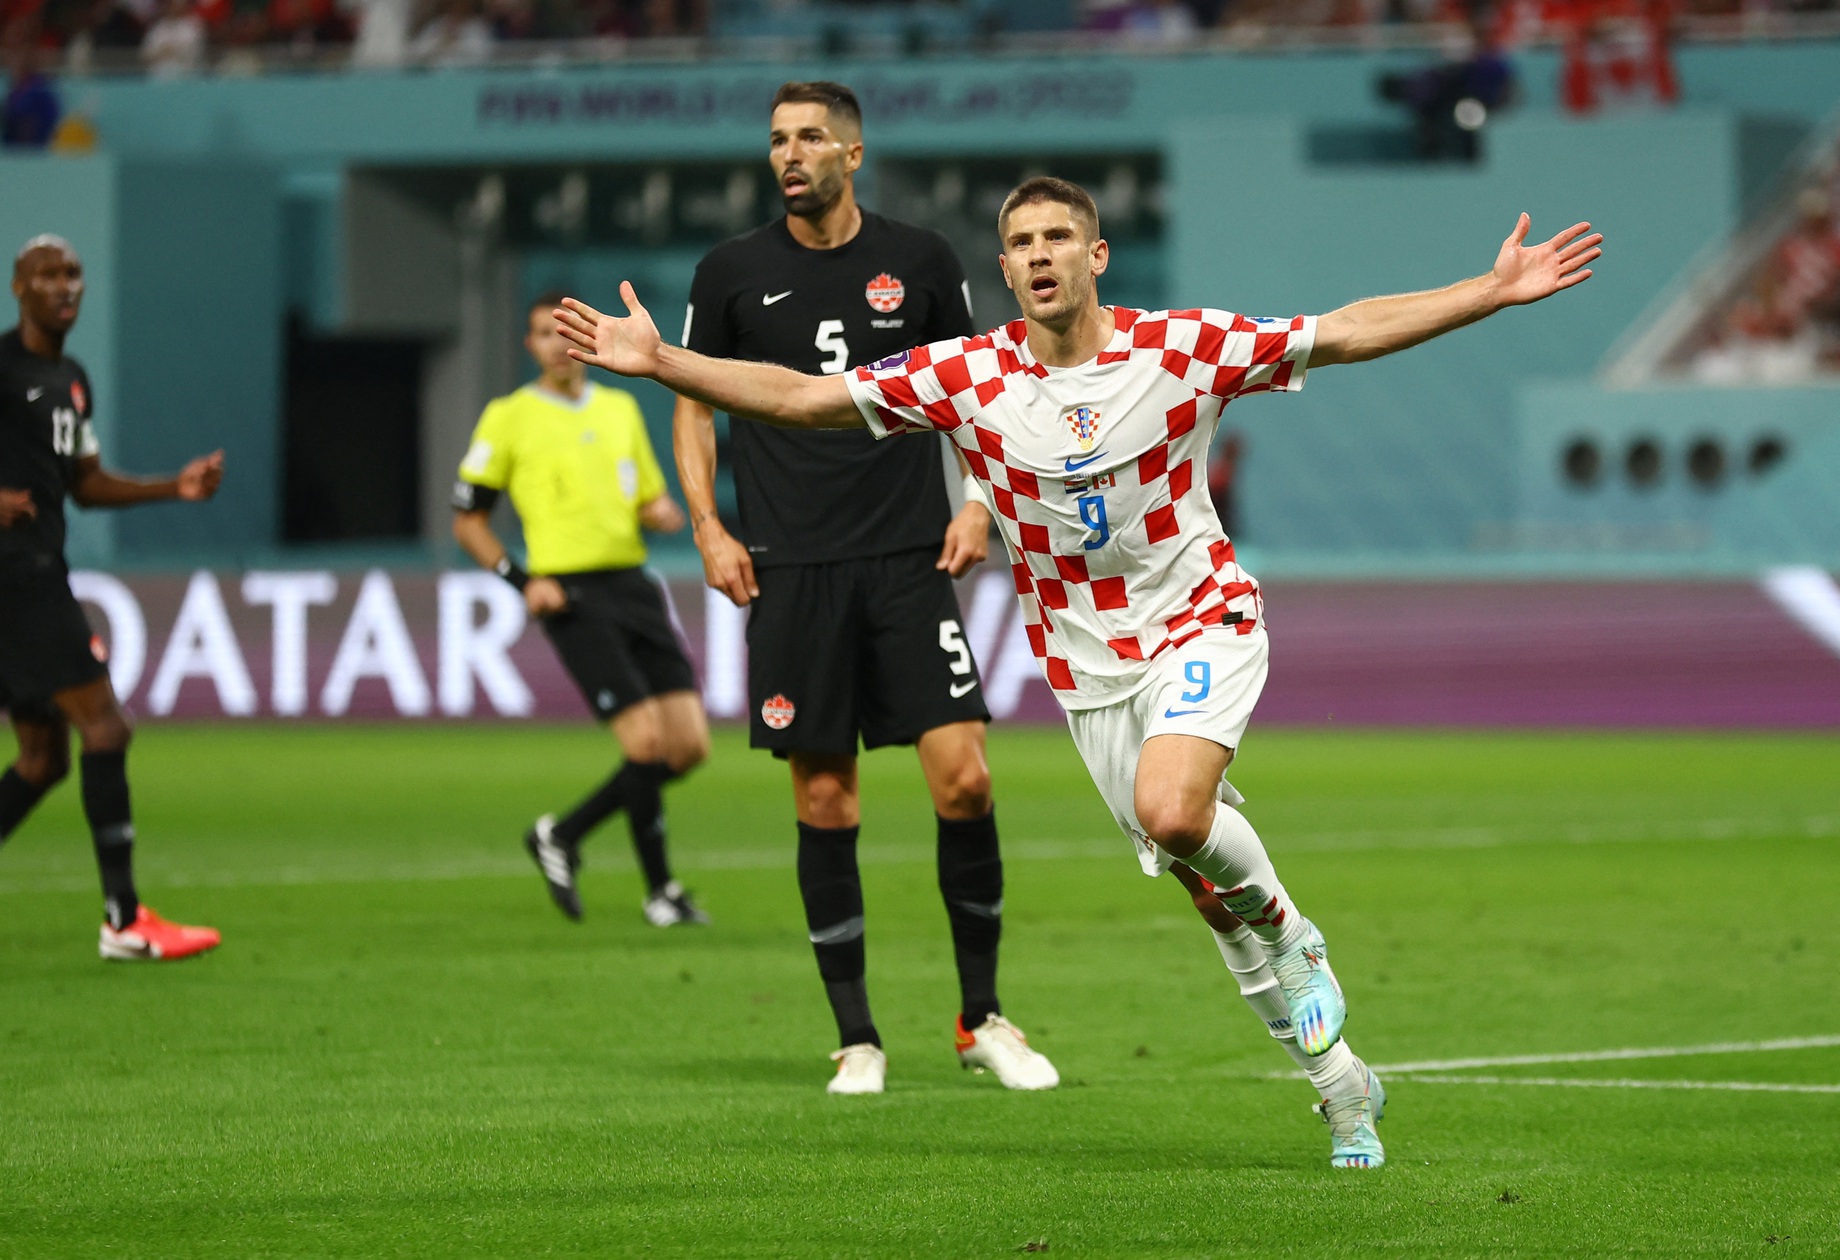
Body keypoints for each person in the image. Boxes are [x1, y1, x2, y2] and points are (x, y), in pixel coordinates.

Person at [555, 179, 1601, 1168]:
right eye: (1018, 244)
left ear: (1095, 255)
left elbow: (1339, 331)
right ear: (1004, 273)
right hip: (1088, 671)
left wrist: (1487, 293)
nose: (1038, 255)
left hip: (1199, 617)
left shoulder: (1181, 349)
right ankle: (1339, 1087)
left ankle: (1294, 933)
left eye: (1057, 237)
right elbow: (793, 396)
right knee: (1197, 884)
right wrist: (663, 365)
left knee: (1176, 812)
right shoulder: (964, 376)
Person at [671, 80, 1058, 1097]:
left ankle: (982, 1018)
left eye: (806, 139)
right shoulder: (729, 273)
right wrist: (708, 526)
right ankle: (856, 1036)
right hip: (790, 568)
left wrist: (977, 501)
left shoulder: (919, 260)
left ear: (850, 151)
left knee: (964, 778)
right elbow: (695, 405)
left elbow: (979, 387)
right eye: (774, 141)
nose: (786, 155)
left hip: (906, 558)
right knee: (826, 796)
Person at [0, 235, 228, 965]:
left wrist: (175, 485)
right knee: (106, 729)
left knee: (43, 758)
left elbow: (86, 485)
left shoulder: (70, 377)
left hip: (35, 565)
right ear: (18, 286)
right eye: (48, 274)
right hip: (15, 570)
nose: (64, 285)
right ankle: (124, 920)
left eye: (72, 273)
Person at [452, 290, 710, 928]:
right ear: (529, 346)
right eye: (543, 334)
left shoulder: (620, 408)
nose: (557, 346)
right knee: (645, 743)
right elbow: (468, 519)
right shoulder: (509, 416)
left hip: (634, 586)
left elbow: (646, 493)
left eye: (566, 334)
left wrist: (660, 512)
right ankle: (661, 892)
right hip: (571, 593)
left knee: (687, 747)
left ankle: (560, 834)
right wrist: (520, 579)